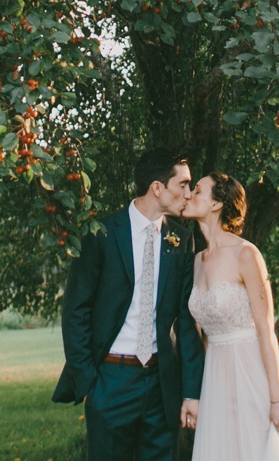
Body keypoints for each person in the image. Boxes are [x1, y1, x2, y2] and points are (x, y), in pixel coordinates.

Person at [54, 148, 205, 459]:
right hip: (110, 380)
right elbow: (75, 312)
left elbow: (188, 321)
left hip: (161, 383)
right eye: (183, 185)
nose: (189, 194)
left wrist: (191, 392)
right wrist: (88, 385)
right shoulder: (101, 233)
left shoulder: (181, 241)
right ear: (157, 188)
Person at [181, 172, 279, 461]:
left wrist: (276, 397)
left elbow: (265, 329)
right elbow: (203, 336)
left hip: (251, 371)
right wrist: (196, 393)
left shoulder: (246, 254)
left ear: (215, 205)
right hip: (215, 376)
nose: (189, 195)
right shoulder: (196, 261)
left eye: (197, 191)